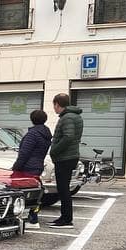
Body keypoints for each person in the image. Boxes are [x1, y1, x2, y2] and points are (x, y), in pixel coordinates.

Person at [48, 93, 83, 228]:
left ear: (57, 104)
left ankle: (66, 219)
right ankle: (64, 217)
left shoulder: (67, 117)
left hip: (65, 157)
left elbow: (68, 137)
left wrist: (54, 150)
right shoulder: (74, 116)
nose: (54, 108)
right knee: (64, 188)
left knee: (63, 189)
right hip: (70, 156)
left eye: (54, 105)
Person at [12, 108, 51, 225]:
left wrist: (16, 167)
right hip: (38, 166)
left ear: (32, 119)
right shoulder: (46, 134)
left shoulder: (32, 134)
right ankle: (33, 214)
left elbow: (24, 153)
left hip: (27, 167)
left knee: (20, 192)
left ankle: (20, 215)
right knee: (35, 192)